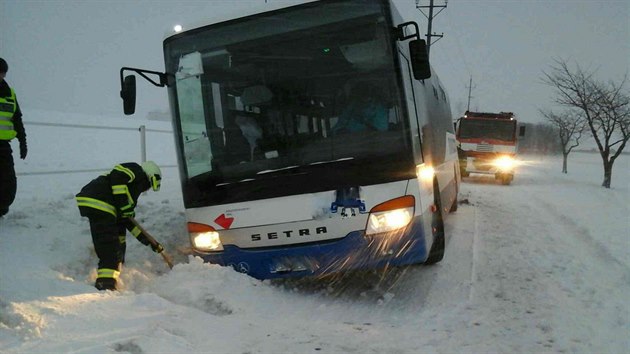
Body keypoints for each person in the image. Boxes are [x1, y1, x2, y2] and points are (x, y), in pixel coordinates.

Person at [76, 161, 164, 291]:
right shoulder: (135, 169)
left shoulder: (129, 196)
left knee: (117, 245)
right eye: (148, 184)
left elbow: (128, 222)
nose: (146, 188)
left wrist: (152, 244)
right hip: (100, 202)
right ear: (149, 175)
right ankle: (105, 286)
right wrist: (124, 204)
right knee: (110, 249)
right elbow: (118, 176)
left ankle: (111, 279)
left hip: (101, 205)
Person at [0, 57, 27, 217]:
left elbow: (17, 119)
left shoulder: (9, 93)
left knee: (8, 182)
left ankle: (2, 209)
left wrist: (23, 142)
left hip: (3, 145)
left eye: (2, 73)